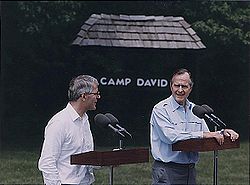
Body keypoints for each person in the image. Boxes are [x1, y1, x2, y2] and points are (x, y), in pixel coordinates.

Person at [150, 68, 239, 185]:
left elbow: (207, 135)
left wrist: (223, 132)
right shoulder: (161, 109)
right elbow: (170, 136)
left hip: (190, 171)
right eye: (177, 86)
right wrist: (203, 134)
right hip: (167, 170)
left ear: (190, 89)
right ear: (171, 86)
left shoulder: (196, 110)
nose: (180, 90)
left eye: (184, 86)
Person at [38, 75, 101, 185]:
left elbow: (86, 158)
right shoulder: (59, 122)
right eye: (96, 94)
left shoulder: (84, 120)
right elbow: (47, 162)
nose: (98, 97)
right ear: (84, 96)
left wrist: (108, 160)